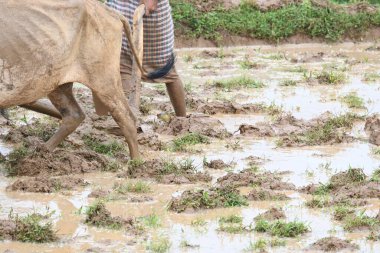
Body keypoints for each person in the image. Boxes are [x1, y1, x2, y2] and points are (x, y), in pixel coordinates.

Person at [106, 0, 186, 117]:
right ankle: (128, 121)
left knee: (166, 70)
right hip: (122, 9)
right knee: (123, 65)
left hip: (148, 14)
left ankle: (182, 119)